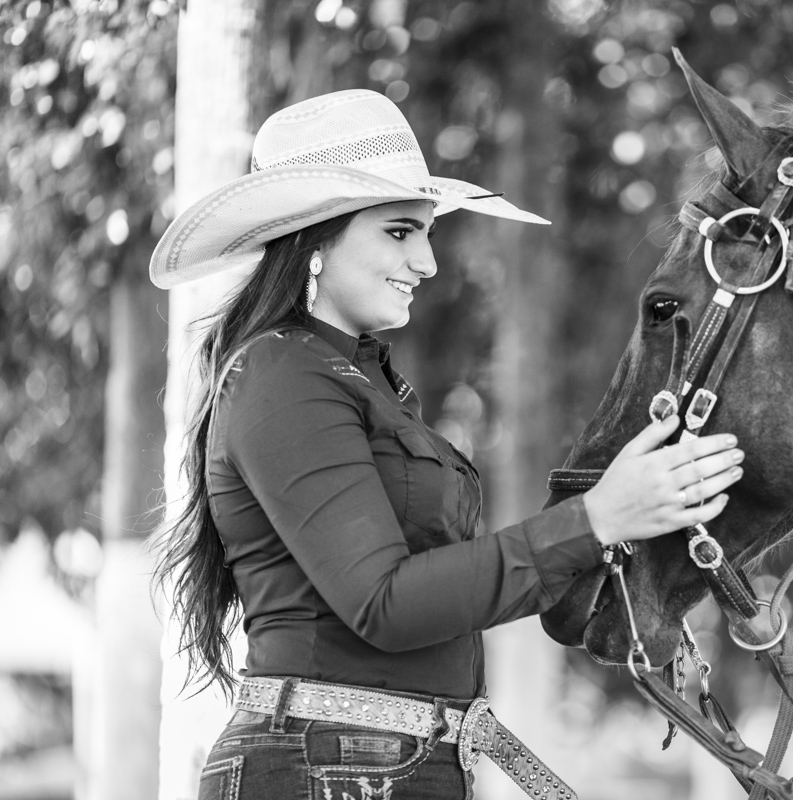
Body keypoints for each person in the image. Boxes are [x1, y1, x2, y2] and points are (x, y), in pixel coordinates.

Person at [150, 89, 744, 800]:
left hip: (384, 765)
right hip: (325, 769)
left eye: (427, 233)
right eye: (400, 232)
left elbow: (434, 590)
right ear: (314, 240)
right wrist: (597, 519)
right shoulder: (283, 372)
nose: (428, 262)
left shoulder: (358, 381)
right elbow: (385, 603)